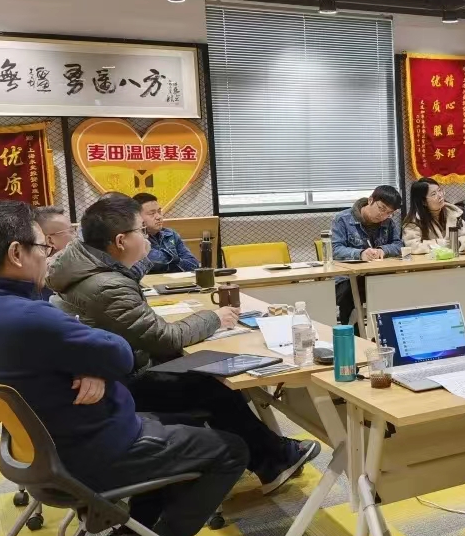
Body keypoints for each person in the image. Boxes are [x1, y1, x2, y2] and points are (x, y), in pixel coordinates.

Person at [0, 200, 248, 536]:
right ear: (17, 254)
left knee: (183, 424)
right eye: (42, 247)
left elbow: (71, 349)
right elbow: (121, 354)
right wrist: (93, 360)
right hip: (92, 452)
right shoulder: (29, 317)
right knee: (230, 449)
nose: (49, 256)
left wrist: (87, 362)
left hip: (41, 452)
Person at [47, 193, 319, 496]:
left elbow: (126, 289)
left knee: (204, 375)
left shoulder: (85, 266)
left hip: (113, 371)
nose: (146, 234)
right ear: (121, 241)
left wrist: (143, 258)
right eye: (140, 229)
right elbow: (166, 339)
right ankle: (273, 459)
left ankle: (268, 455)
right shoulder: (106, 286)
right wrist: (214, 318)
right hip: (123, 384)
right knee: (210, 384)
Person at [330, 185, 404, 326]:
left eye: (389, 213)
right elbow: (336, 249)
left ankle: (386, 332)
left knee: (399, 288)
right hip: (348, 278)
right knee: (349, 295)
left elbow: (399, 245)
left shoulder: (388, 222)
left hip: (378, 274)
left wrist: (383, 250)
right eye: (381, 208)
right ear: (370, 200)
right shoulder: (343, 219)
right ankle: (353, 333)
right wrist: (360, 254)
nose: (383, 215)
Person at [131, 192, 200, 276]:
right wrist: (177, 260)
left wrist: (168, 263)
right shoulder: (133, 238)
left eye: (159, 212)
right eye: (152, 213)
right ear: (137, 217)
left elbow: (193, 264)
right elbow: (153, 260)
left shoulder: (171, 235)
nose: (159, 217)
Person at [402, 177, 465, 254]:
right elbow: (413, 246)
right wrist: (441, 244)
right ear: (423, 202)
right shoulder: (414, 221)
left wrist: (457, 244)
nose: (440, 195)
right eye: (433, 194)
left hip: (454, 259)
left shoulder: (454, 214)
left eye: (439, 190)